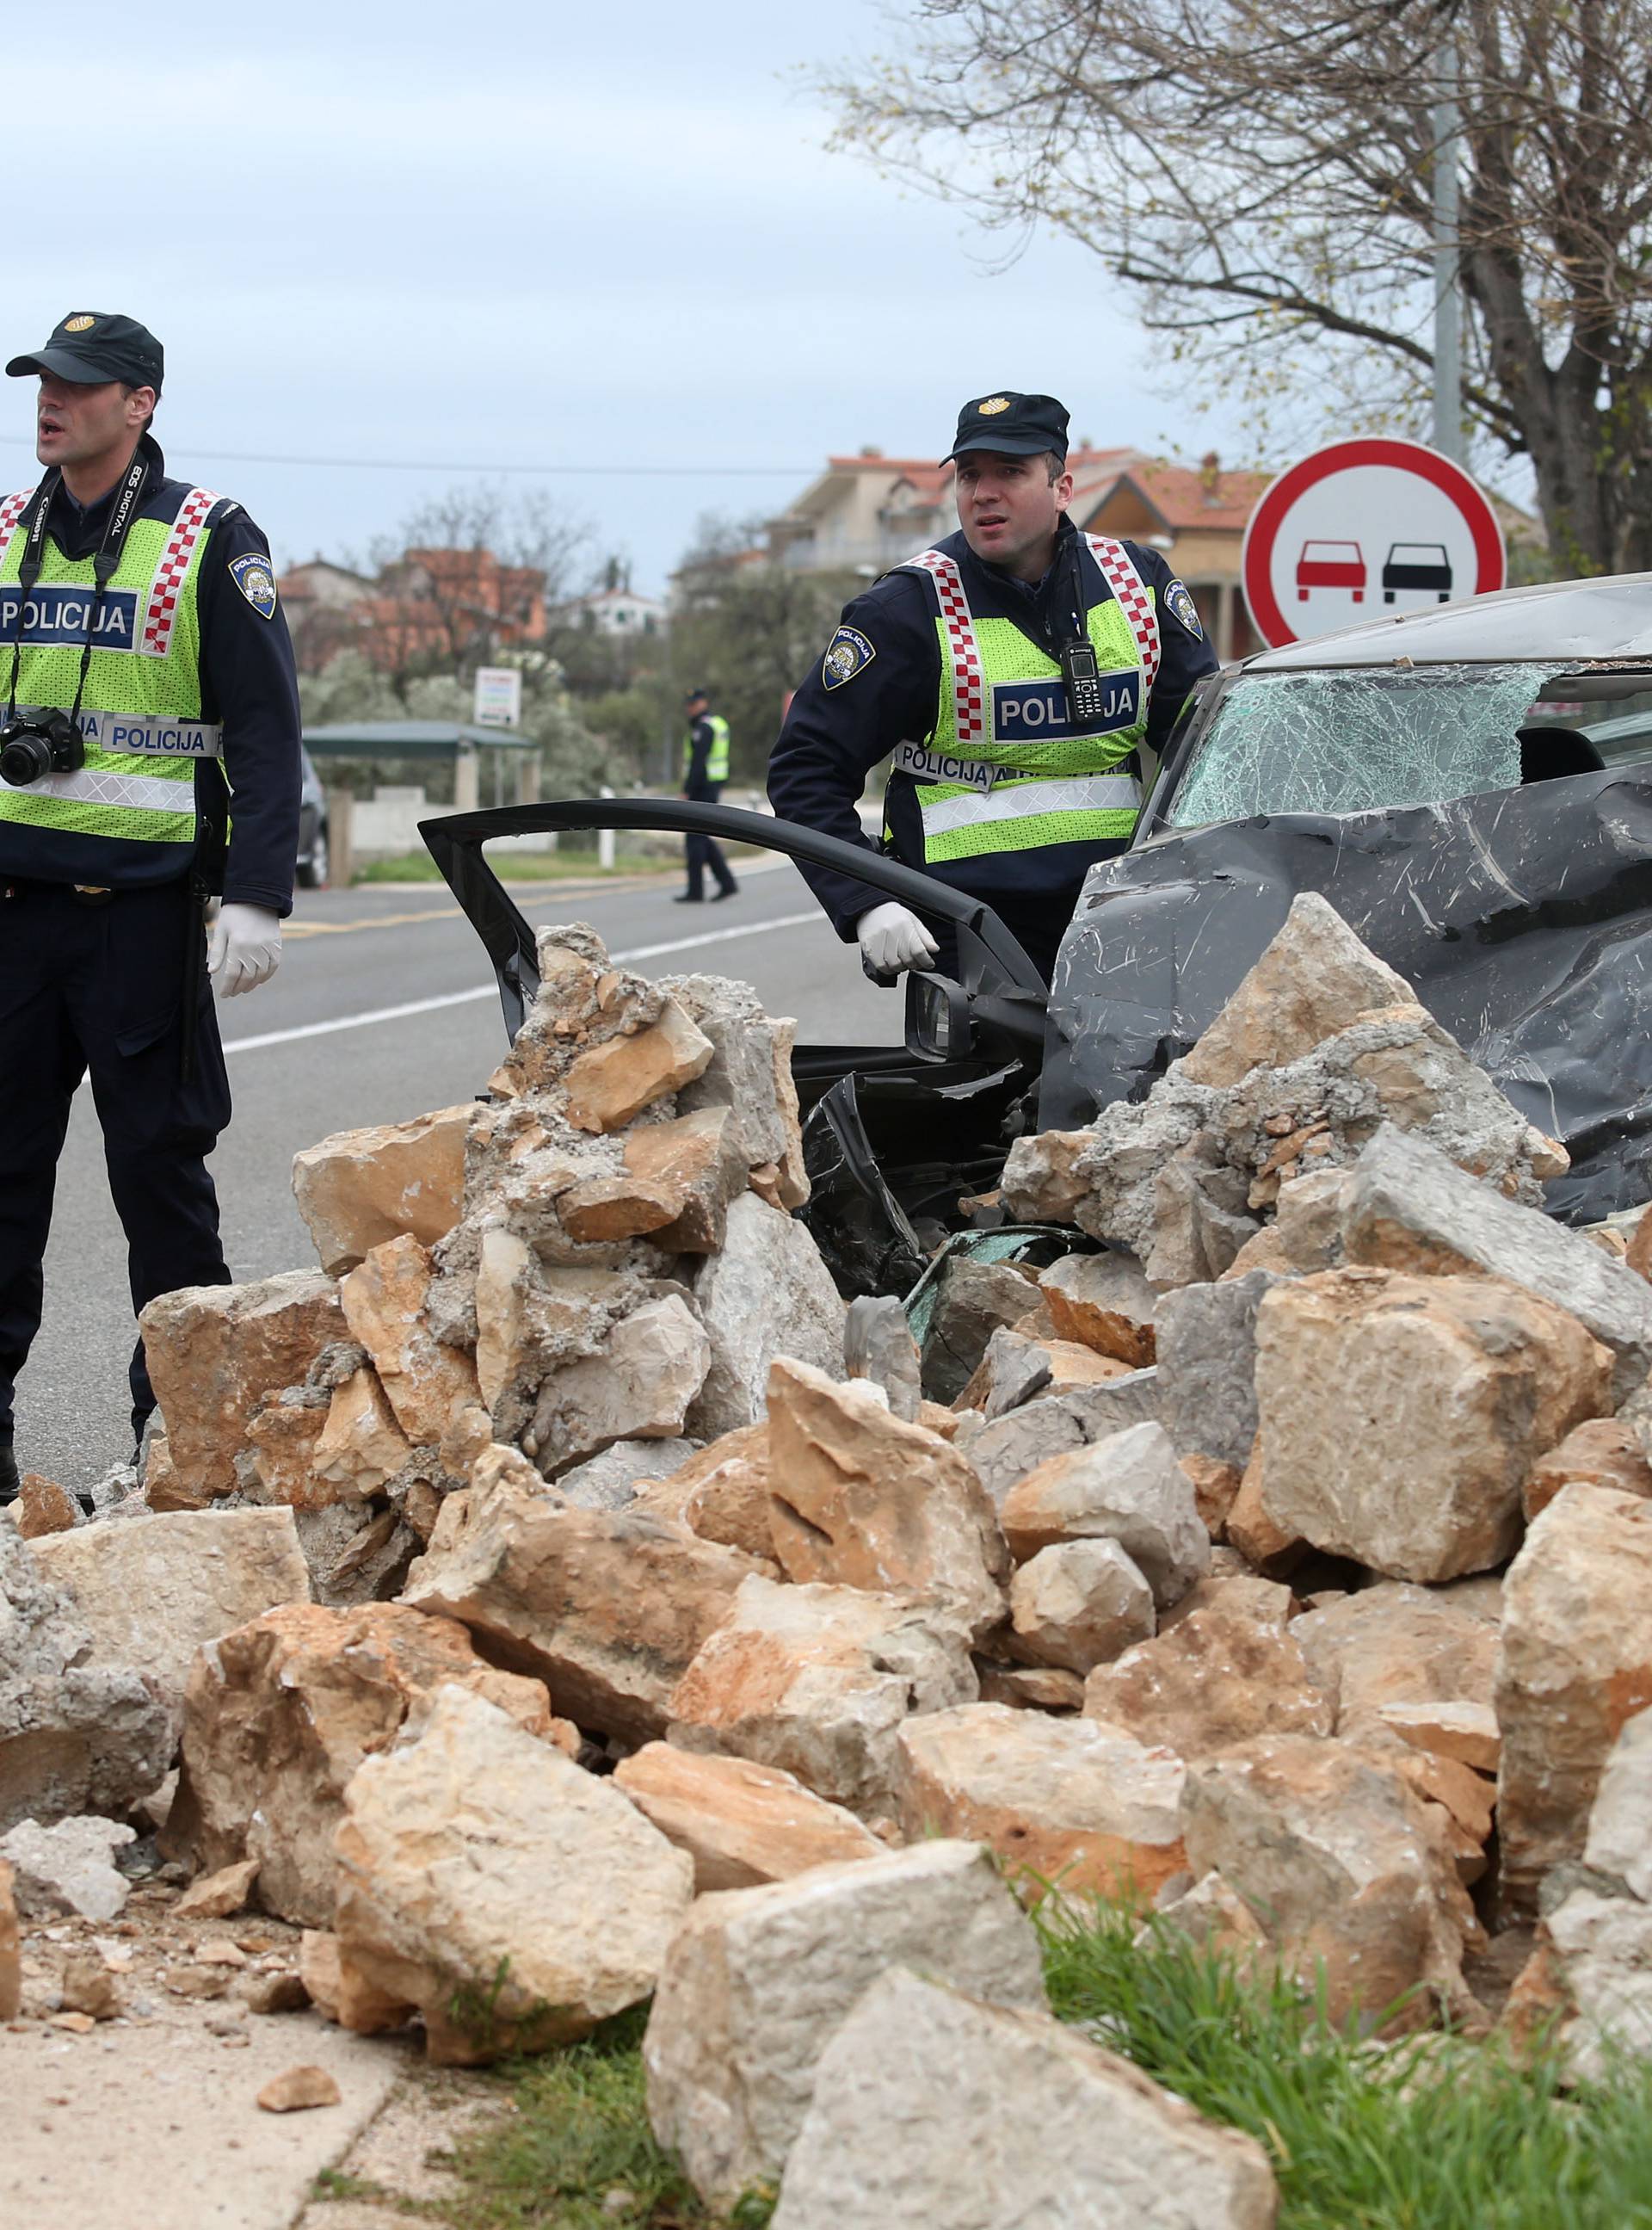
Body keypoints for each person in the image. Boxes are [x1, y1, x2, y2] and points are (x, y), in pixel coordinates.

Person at [0, 312, 301, 1505]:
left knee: (162, 1186)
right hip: (14, 915)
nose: (49, 403)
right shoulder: (8, 532)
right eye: (41, 384)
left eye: (77, 387)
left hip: (142, 918)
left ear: (141, 403)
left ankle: (181, 1441)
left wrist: (259, 897)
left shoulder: (207, 540)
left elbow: (267, 731)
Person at [767, 391, 1218, 984]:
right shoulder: (905, 609)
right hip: (968, 930)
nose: (983, 492)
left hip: (1120, 917)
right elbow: (805, 770)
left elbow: (1209, 757)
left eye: (1010, 472)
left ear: (1062, 488)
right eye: (969, 475)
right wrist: (868, 900)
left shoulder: (1138, 584)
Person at [676, 685, 737, 903]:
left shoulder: (704, 728)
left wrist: (687, 790)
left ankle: (695, 891)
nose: (690, 709)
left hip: (702, 787)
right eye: (688, 705)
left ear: (704, 703)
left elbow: (698, 763)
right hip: (712, 785)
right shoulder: (715, 724)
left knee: (694, 839)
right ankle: (727, 883)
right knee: (702, 836)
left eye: (693, 704)